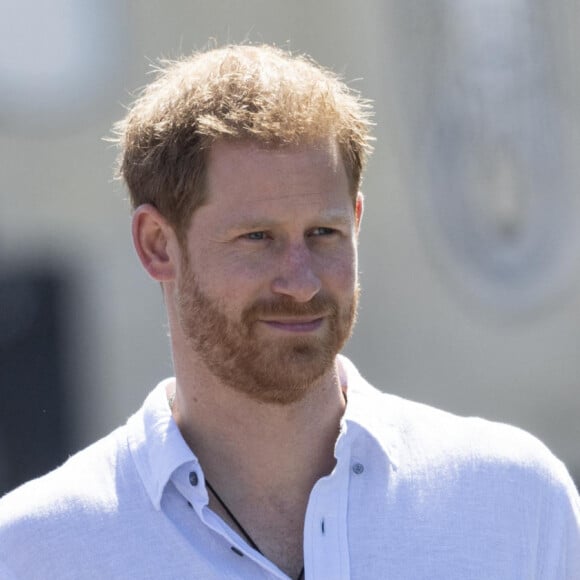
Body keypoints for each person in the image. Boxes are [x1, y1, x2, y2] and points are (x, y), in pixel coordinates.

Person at [0, 44, 578, 580]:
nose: (301, 283)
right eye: (257, 238)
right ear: (157, 244)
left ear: (356, 220)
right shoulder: (37, 550)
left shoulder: (516, 505)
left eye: (324, 233)